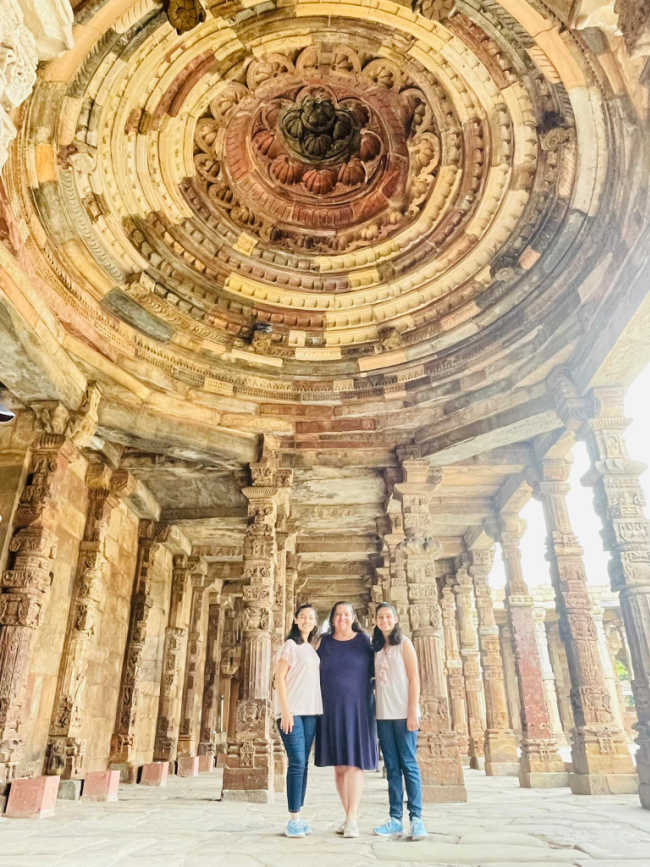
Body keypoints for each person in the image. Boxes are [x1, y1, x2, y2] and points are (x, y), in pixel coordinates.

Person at [315, 600, 377, 838]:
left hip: (359, 708)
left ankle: (353, 817)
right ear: (332, 619)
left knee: (354, 764)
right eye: (338, 614)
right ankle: (347, 815)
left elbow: (379, 670)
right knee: (339, 767)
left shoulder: (364, 641)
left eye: (346, 614)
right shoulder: (323, 642)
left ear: (353, 618)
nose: (342, 618)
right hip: (330, 709)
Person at [372, 602, 428, 841]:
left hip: (404, 714)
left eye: (388, 617)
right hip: (384, 715)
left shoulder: (404, 644)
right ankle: (395, 820)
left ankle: (416, 819)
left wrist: (413, 710)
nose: (384, 620)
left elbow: (414, 678)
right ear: (375, 621)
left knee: (409, 764)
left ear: (395, 620)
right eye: (380, 617)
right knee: (392, 769)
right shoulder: (375, 648)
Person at [273, 603, 323, 838]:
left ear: (315, 622)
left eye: (311, 618)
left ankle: (299, 816)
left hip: (310, 712)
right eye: (302, 617)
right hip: (292, 712)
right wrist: (286, 711)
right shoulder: (290, 646)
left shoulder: (311, 649)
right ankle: (293, 819)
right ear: (295, 620)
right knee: (296, 761)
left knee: (303, 765)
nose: (306, 620)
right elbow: (279, 679)